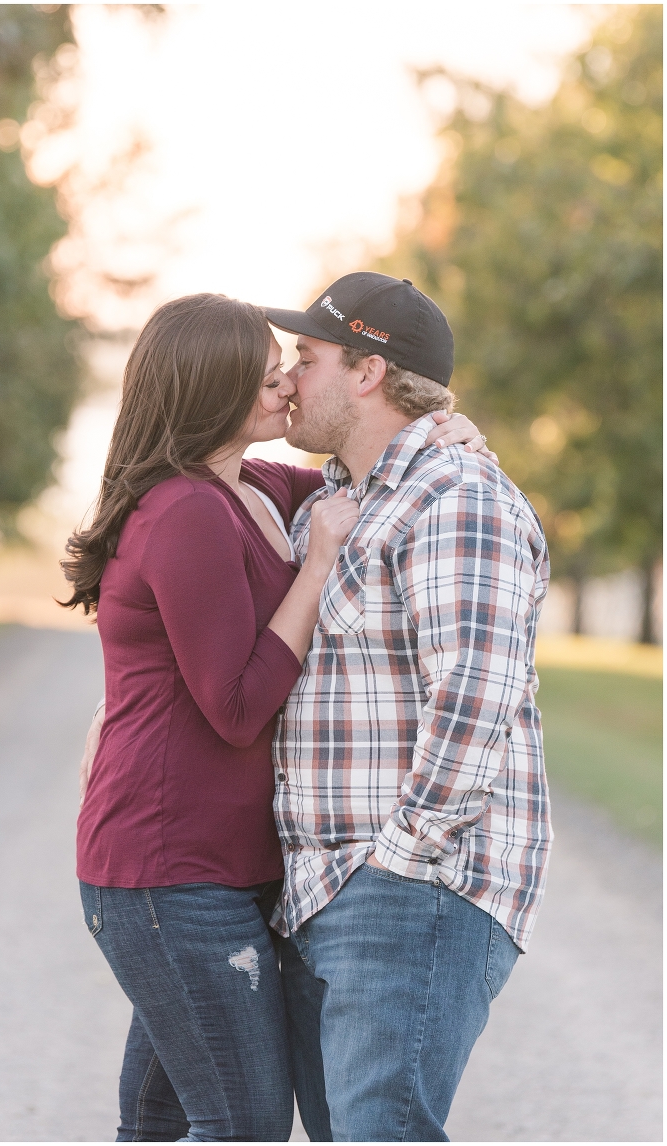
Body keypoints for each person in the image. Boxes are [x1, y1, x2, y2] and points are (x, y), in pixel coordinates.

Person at [64, 290, 491, 1143]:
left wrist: (451, 431)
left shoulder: (256, 486)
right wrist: (316, 566)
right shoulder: (186, 510)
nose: (288, 387)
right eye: (268, 379)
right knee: (243, 1121)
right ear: (214, 392)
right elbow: (234, 707)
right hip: (171, 869)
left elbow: (370, 473)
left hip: (220, 867)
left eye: (288, 370)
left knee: (161, 1120)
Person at [261, 271, 553, 1143]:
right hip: (325, 890)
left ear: (367, 371)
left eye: (306, 357)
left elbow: (477, 691)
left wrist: (399, 862)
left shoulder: (458, 496)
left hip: (406, 888)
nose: (288, 379)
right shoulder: (333, 503)